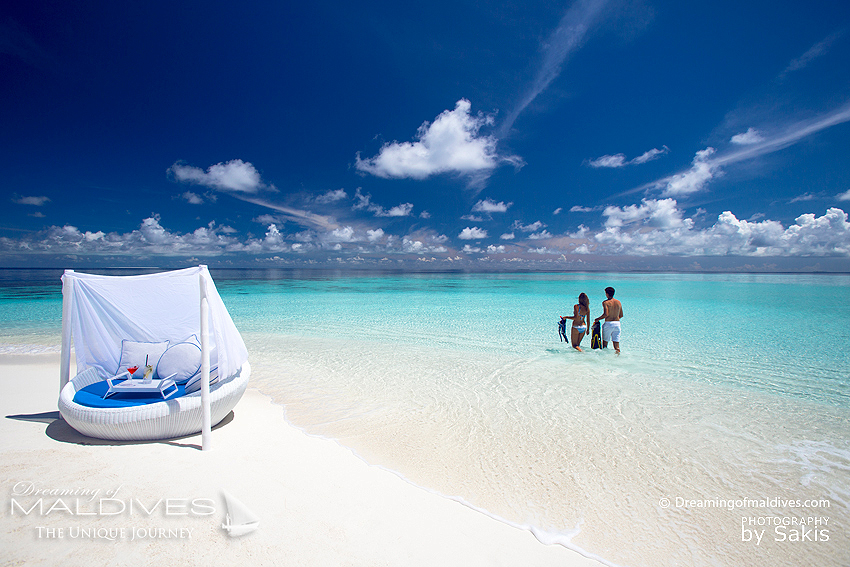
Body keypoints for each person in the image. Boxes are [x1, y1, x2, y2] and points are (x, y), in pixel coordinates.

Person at [594, 286, 623, 354]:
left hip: (608, 324)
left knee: (605, 345)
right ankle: (618, 359)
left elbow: (606, 314)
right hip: (617, 324)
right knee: (617, 346)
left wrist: (597, 319)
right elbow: (621, 315)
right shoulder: (619, 302)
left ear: (607, 293)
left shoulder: (605, 302)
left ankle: (605, 359)